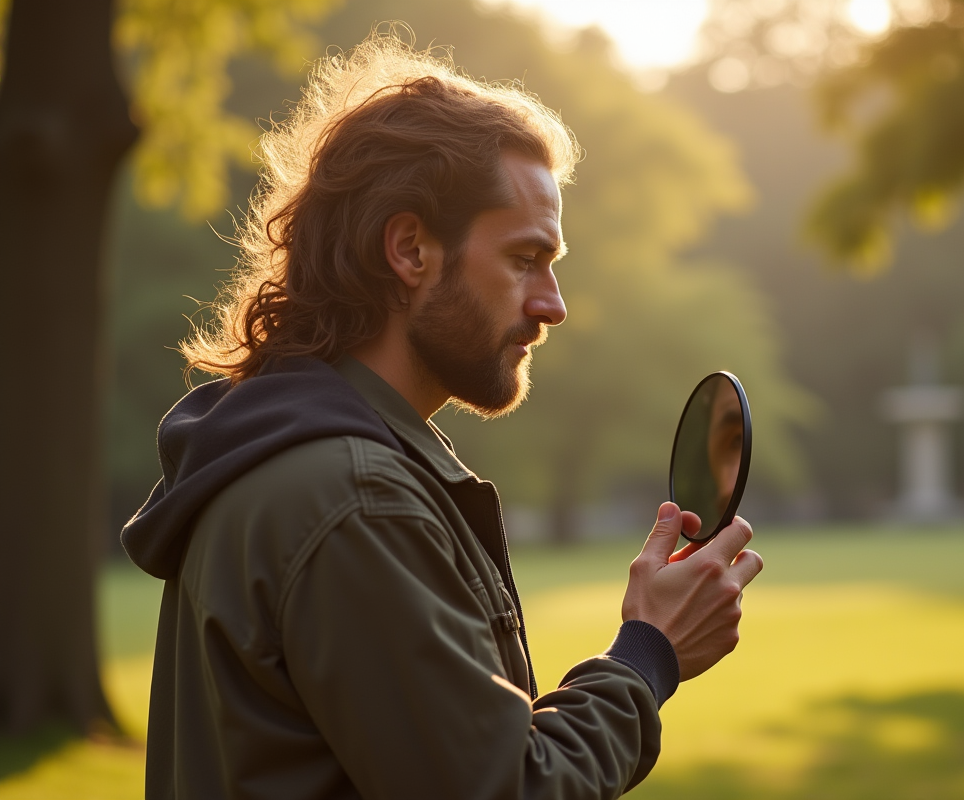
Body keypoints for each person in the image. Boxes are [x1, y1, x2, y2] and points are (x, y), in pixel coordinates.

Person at [122, 33, 762, 800]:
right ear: (410, 249)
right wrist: (647, 654)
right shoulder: (355, 499)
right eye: (525, 260)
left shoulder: (279, 454)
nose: (553, 305)